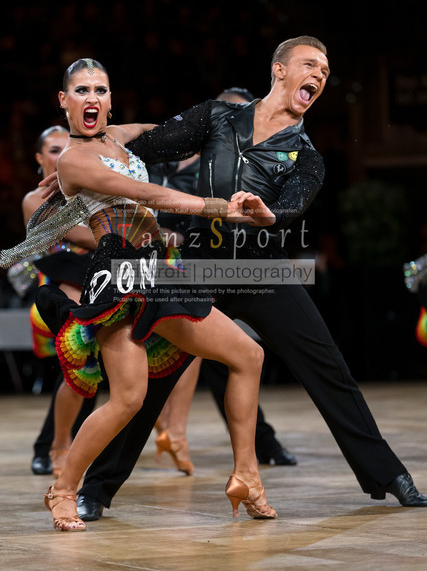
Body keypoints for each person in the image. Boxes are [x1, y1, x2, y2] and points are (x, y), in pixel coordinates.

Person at [69, 37, 427, 522]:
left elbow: (290, 208)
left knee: (328, 368)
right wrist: (86, 152)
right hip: (199, 266)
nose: (319, 75)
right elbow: (150, 144)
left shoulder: (307, 156)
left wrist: (266, 213)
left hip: (262, 269)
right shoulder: (218, 117)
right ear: (279, 70)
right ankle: (97, 488)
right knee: (157, 376)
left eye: (325, 71)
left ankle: (389, 475)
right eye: (310, 65)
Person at [2, 57, 277, 531]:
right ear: (64, 101)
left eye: (101, 90)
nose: (93, 98)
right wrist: (219, 208)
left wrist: (228, 123)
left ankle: (247, 477)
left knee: (248, 355)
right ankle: (63, 489)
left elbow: (171, 132)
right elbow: (146, 194)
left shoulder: (118, 137)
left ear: (111, 99)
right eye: (82, 90)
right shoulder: (74, 159)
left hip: (158, 269)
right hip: (120, 275)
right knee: (128, 398)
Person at [150, 86, 296, 476]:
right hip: (147, 258)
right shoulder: (170, 152)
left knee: (219, 352)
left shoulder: (234, 170)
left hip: (199, 263)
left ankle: (180, 432)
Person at [21, 126, 97, 478]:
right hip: (55, 288)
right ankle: (53, 446)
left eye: (67, 149)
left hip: (96, 282)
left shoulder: (92, 191)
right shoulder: (34, 199)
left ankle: (67, 447)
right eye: (54, 150)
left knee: (90, 371)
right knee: (79, 362)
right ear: (39, 158)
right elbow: (79, 236)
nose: (61, 156)